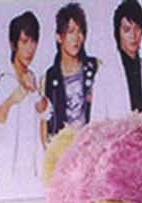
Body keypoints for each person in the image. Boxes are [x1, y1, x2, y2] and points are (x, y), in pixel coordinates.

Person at [0, 11, 51, 201]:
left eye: (33, 42)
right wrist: (12, 99)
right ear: (13, 44)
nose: (30, 49)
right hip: (8, 177)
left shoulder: (33, 78)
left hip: (33, 175)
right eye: (24, 42)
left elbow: (45, 113)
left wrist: (34, 92)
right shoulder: (4, 79)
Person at [91, 0, 142, 119]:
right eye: (127, 29)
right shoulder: (105, 72)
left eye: (137, 28)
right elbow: (96, 121)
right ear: (118, 33)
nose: (133, 35)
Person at [42, 4, 99, 138]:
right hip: (62, 146)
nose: (76, 38)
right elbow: (45, 125)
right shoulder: (48, 78)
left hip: (91, 144)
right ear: (59, 37)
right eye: (71, 32)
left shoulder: (95, 68)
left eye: (80, 31)